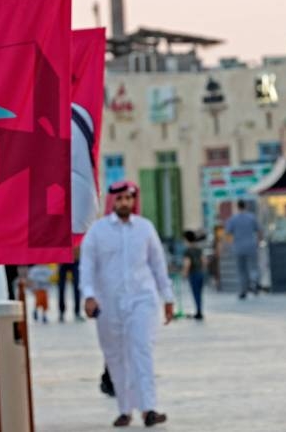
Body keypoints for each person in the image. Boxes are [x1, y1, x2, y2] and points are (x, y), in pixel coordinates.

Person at [81, 180, 173, 428]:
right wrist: (88, 295)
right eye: (119, 199)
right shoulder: (98, 231)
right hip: (108, 303)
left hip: (143, 300)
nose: (124, 203)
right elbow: (87, 266)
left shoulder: (145, 229)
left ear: (133, 200)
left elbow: (158, 265)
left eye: (128, 198)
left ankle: (149, 409)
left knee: (142, 351)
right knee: (116, 357)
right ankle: (125, 409)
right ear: (113, 202)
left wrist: (168, 297)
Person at [225, 200, 262, 299]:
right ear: (245, 206)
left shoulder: (233, 219)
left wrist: (231, 244)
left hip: (238, 247)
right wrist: (258, 243)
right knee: (253, 267)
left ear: (237, 207)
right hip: (251, 246)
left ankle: (243, 290)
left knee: (241, 270)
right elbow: (259, 231)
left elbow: (228, 234)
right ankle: (254, 284)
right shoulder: (252, 217)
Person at [182, 230, 206, 320]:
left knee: (196, 293)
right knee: (200, 293)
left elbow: (187, 263)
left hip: (193, 274)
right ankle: (199, 310)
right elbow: (204, 260)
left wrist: (184, 273)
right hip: (200, 273)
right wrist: (202, 269)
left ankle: (198, 312)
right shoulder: (199, 249)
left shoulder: (188, 251)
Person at [58, 246, 83, 322]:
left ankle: (77, 312)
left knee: (77, 287)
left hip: (75, 258)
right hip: (63, 259)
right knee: (61, 288)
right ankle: (61, 312)